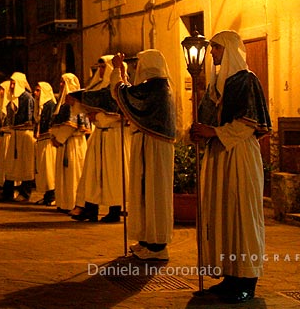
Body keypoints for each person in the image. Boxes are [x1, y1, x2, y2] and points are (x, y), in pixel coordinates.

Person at [190, 30, 270, 304]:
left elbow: (248, 124)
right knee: (222, 214)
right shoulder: (215, 84)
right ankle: (229, 277)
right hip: (219, 156)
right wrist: (200, 132)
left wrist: (213, 132)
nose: (212, 52)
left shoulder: (247, 81)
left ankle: (247, 281)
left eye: (217, 47)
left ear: (230, 50)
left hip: (239, 155)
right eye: (212, 47)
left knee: (242, 215)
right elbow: (208, 120)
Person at [111, 49, 176, 261]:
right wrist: (121, 72)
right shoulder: (152, 87)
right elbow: (130, 94)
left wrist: (117, 72)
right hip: (147, 143)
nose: (138, 67)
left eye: (140, 64)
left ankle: (158, 246)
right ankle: (146, 240)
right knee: (143, 191)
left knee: (154, 192)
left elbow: (124, 93)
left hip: (155, 146)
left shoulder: (157, 87)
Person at [74, 56, 130, 222]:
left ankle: (114, 211)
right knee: (92, 174)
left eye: (104, 67)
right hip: (99, 135)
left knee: (113, 175)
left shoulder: (119, 89)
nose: (100, 70)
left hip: (113, 136)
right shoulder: (97, 88)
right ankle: (90, 208)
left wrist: (98, 115)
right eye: (99, 67)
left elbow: (121, 115)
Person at [50, 73, 88, 214]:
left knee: (73, 174)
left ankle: (72, 202)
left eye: (62, 82)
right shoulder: (64, 103)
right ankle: (64, 201)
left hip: (72, 144)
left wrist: (58, 139)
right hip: (65, 143)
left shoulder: (73, 103)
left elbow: (70, 125)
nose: (60, 84)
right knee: (65, 175)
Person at [1, 72, 35, 202]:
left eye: (14, 83)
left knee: (25, 164)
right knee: (11, 164)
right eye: (11, 83)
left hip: (24, 135)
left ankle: (25, 193)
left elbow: (29, 119)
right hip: (15, 134)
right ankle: (8, 192)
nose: (12, 85)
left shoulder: (27, 98)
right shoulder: (12, 98)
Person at [33, 82, 57, 206]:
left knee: (49, 170)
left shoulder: (50, 105)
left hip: (48, 142)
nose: (35, 93)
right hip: (42, 141)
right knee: (43, 170)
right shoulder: (40, 106)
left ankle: (52, 195)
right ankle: (47, 195)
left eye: (38, 91)